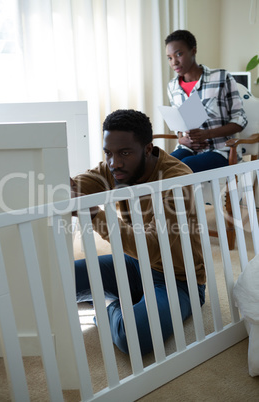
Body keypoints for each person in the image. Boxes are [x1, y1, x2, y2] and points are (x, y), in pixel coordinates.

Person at [71, 109, 206, 356]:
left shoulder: (177, 180)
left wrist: (95, 215)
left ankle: (108, 306)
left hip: (177, 279)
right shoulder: (113, 169)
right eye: (108, 153)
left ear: (147, 149)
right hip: (134, 265)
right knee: (61, 278)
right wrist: (63, 186)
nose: (114, 163)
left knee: (134, 337)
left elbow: (154, 247)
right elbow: (75, 186)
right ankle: (130, 298)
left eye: (124, 152)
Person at [165, 29, 248, 172]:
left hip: (221, 150)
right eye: (169, 58)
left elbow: (240, 121)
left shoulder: (222, 77)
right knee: (163, 167)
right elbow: (180, 128)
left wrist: (207, 134)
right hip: (189, 148)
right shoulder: (172, 87)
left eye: (179, 54)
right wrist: (181, 139)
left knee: (184, 167)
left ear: (193, 51)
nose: (174, 62)